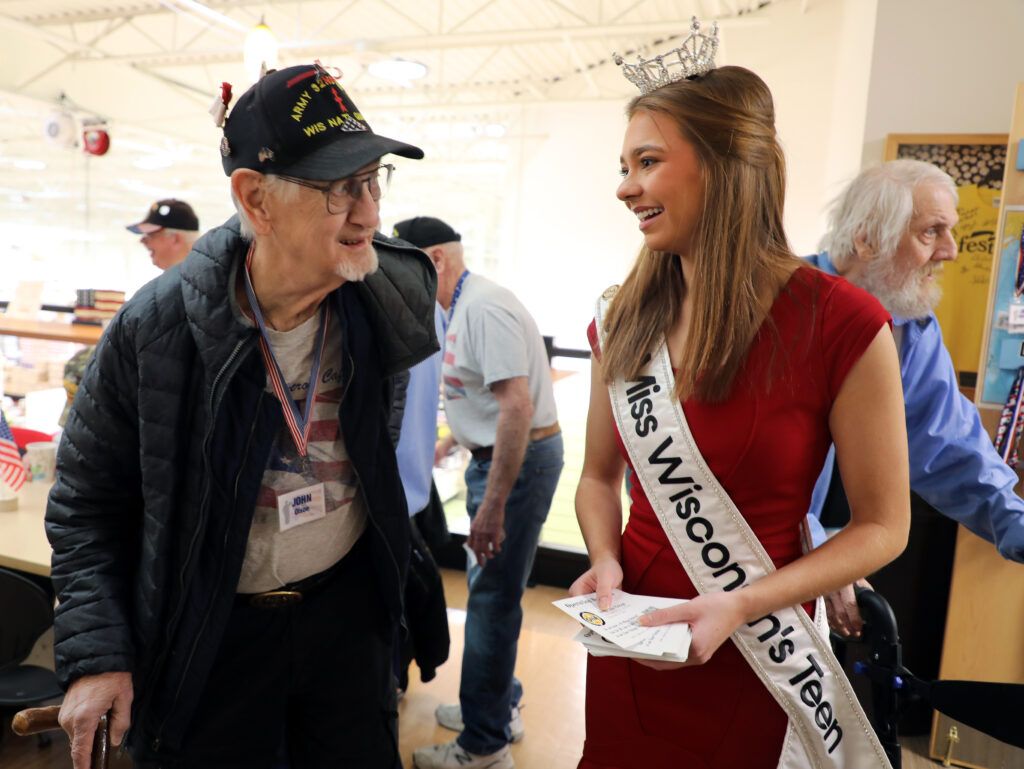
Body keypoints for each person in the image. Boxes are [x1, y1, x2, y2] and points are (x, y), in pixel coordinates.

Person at [45, 62, 437, 769]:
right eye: (340, 188)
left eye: (373, 180)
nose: (370, 213)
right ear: (255, 199)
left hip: (346, 624)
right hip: (212, 634)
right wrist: (97, 652)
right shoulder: (154, 330)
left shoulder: (384, 296)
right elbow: (85, 504)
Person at [569, 26, 910, 769]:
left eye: (648, 163)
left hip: (757, 647)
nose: (625, 187)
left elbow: (884, 525)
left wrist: (742, 603)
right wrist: (605, 562)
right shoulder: (625, 315)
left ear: (724, 167)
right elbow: (597, 477)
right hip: (638, 635)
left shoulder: (842, 323)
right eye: (625, 166)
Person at [805, 159, 1024, 637]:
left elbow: (947, 446)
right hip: (734, 563)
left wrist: (1016, 523)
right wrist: (819, 555)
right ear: (866, 240)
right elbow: (750, 467)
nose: (951, 251)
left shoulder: (911, 329)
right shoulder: (781, 308)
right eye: (932, 232)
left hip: (822, 574)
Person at [396, 216, 564, 769]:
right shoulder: (460, 306)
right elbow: (484, 398)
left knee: (489, 602)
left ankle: (483, 744)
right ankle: (497, 706)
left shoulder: (482, 309)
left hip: (515, 467)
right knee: (497, 597)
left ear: (436, 260)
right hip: (502, 458)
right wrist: (451, 440)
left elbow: (515, 407)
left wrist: (492, 507)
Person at [126, 198, 201, 270]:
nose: (142, 240)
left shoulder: (204, 280)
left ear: (176, 239)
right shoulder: (200, 276)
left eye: (150, 235)